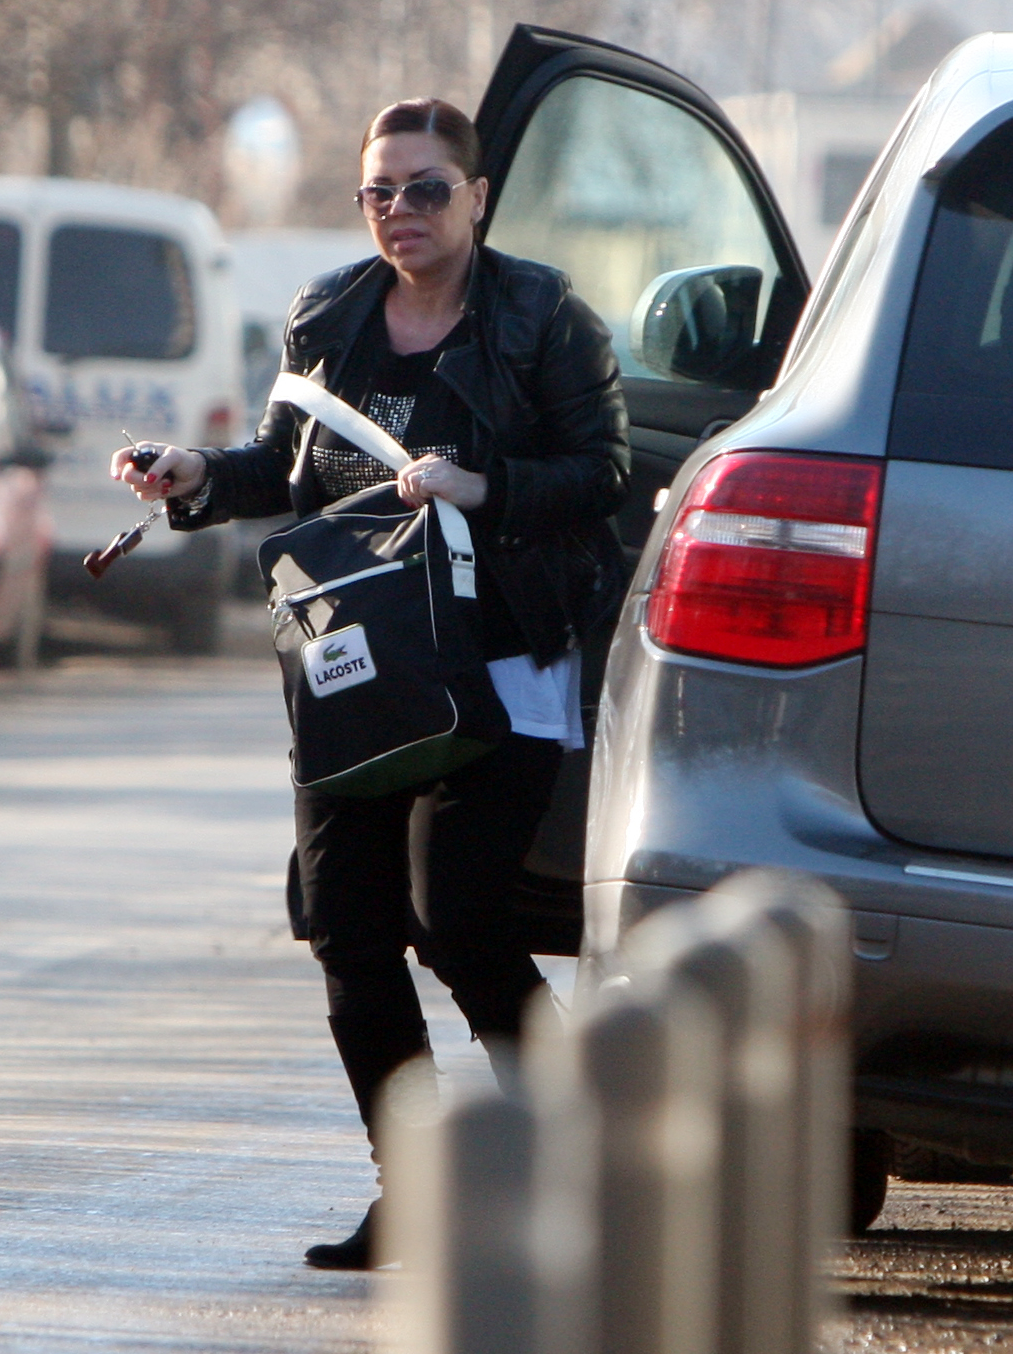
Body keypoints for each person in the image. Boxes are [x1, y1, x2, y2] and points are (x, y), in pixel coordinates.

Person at [110, 97, 629, 1269]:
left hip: (499, 661)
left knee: (458, 915)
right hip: (356, 665)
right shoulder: (329, 314)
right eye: (380, 192)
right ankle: (415, 1186)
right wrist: (194, 476)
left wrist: (477, 486)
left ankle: (575, 1155)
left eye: (428, 188)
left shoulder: (544, 317)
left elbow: (601, 473)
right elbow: (282, 471)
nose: (402, 211)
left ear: (480, 198)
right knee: (346, 924)